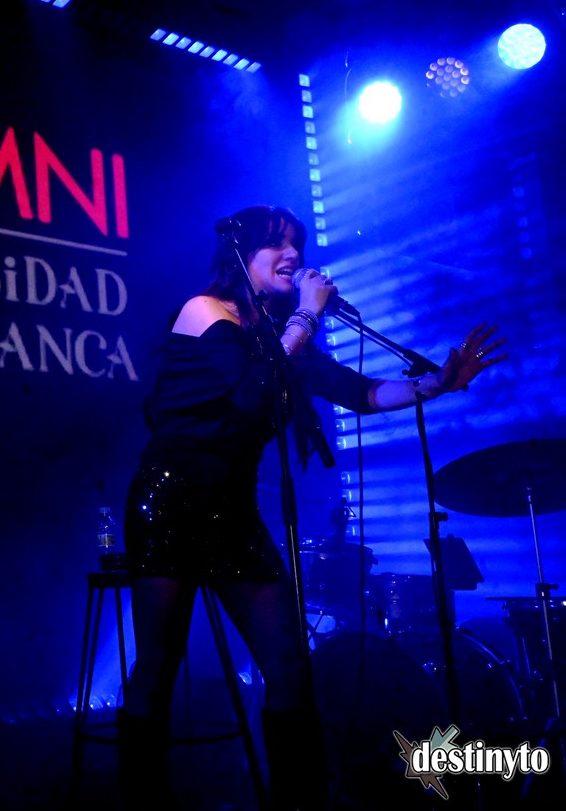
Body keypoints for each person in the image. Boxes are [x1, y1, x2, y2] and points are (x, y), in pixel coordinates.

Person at [116, 205, 505, 810]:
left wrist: (436, 384)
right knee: (158, 668)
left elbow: (359, 392)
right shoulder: (205, 310)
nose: (293, 253)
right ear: (241, 256)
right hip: (170, 502)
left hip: (233, 514)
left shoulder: (282, 340)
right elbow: (252, 392)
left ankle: (298, 806)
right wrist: (305, 314)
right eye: (277, 243)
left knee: (290, 670)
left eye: (296, 242)